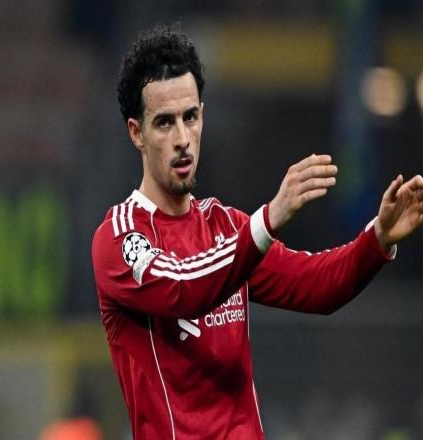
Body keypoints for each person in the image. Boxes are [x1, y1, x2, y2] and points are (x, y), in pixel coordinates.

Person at [91, 24, 423, 440]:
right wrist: (266, 222)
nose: (182, 139)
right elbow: (182, 289)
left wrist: (378, 239)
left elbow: (316, 286)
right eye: (164, 123)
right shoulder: (120, 238)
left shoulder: (227, 227)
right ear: (136, 133)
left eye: (190, 117)